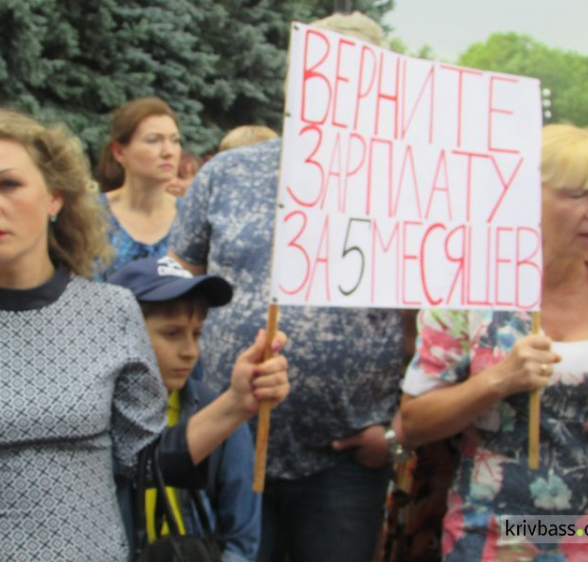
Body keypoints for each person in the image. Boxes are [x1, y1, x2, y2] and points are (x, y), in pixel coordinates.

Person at [0, 108, 289, 561]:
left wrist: (237, 403)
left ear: (54, 198)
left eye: (8, 184)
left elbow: (145, 461)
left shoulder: (112, 311)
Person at [168, 12, 408, 562]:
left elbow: (434, 330)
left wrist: (394, 434)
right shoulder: (228, 174)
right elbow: (176, 283)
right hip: (223, 438)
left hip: (345, 460)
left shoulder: (405, 192)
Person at [399, 124, 588, 560]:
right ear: (525, 199)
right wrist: (499, 380)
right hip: (494, 532)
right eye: (578, 194)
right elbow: (411, 424)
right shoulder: (470, 292)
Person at [109, 255, 262, 562]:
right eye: (171, 333)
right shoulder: (89, 421)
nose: (190, 352)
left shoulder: (221, 417)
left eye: (197, 333)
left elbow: (241, 542)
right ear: (120, 336)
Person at [94, 97, 182, 280]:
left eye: (175, 140)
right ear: (119, 152)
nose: (168, 151)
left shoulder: (190, 217)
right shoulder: (91, 214)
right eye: (153, 140)